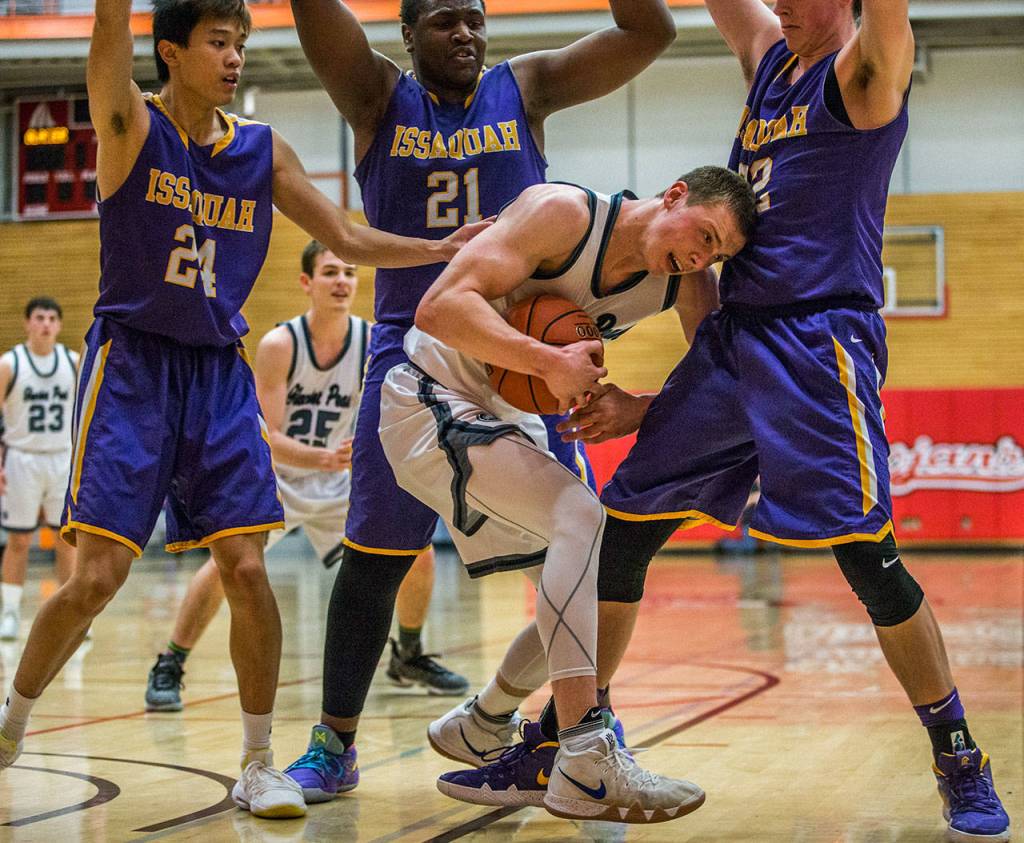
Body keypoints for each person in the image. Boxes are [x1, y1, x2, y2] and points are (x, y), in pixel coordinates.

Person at [537, 0, 1011, 838]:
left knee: (868, 559)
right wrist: (654, 404)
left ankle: (958, 753)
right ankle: (581, 736)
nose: (781, 4)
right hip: (734, 338)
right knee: (621, 532)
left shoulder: (862, 74)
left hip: (819, 340)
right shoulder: (769, 56)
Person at [0, 0, 481, 820]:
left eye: (241, 44)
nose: (234, 58)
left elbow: (346, 237)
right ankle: (11, 725)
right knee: (97, 578)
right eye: (218, 43)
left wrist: (438, 247)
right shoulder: (130, 125)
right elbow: (106, 40)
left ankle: (259, 762)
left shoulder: (260, 149)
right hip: (133, 366)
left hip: (218, 369)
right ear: (171, 50)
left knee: (248, 566)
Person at [280, 0, 681, 802]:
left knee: (582, 547)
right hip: (414, 353)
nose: (465, 33)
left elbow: (651, 33)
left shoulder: (523, 88)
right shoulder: (376, 96)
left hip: (521, 358)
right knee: (374, 557)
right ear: (408, 34)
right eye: (444, 21)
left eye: (475, 18)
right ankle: (334, 743)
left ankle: (573, 727)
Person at [379, 171, 755, 822]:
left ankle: (482, 721)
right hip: (430, 394)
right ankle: (584, 752)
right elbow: (438, 307)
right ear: (675, 194)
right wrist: (546, 362)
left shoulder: (687, 283)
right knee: (580, 514)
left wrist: (639, 406)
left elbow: (717, 381)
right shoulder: (563, 214)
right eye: (703, 234)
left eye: (716, 253)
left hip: (501, 419)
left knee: (588, 587)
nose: (701, 257)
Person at [143, 243, 467, 715]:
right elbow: (268, 435)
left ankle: (409, 654)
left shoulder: (372, 341)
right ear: (306, 282)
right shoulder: (281, 344)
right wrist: (321, 458)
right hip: (280, 480)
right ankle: (171, 662)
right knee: (224, 567)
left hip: (337, 483)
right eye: (330, 272)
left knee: (417, 555)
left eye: (349, 273)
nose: (342, 282)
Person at [0, 298, 78, 642]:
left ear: (58, 325)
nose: (45, 324)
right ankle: (9, 613)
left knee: (66, 539)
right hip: (22, 458)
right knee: (18, 539)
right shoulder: (10, 363)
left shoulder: (72, 362)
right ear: (27, 323)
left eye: (51, 318)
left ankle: (72, 616)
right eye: (39, 318)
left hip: (62, 458)